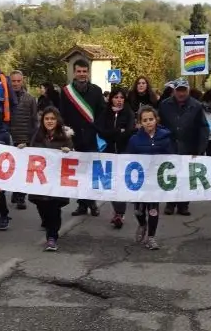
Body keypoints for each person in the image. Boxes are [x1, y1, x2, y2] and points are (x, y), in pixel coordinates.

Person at [20, 107, 75, 251]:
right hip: (40, 181)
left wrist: (68, 152)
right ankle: (47, 223)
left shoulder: (65, 137)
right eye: (47, 119)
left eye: (52, 119)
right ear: (42, 120)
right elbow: (31, 154)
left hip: (56, 181)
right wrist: (23, 148)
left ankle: (52, 237)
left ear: (57, 120)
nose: (49, 121)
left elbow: (73, 156)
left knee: (54, 208)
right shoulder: (36, 136)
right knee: (42, 206)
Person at [59, 59, 106, 217]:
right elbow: (62, 113)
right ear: (74, 72)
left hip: (92, 138)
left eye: (84, 71)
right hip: (74, 138)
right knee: (78, 172)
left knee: (91, 172)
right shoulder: (66, 92)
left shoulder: (96, 90)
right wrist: (65, 131)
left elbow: (101, 113)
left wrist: (97, 129)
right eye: (79, 71)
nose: (81, 74)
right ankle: (81, 205)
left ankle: (92, 203)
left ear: (88, 72)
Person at [158, 78, 209, 216]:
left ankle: (183, 205)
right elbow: (159, 125)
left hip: (189, 147)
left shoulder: (197, 106)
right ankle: (170, 204)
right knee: (171, 176)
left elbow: (203, 128)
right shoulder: (164, 105)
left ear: (188, 90)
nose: (181, 93)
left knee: (186, 178)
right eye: (178, 90)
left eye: (184, 90)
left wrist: (200, 149)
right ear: (174, 90)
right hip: (170, 147)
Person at [126, 105, 175, 250]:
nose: (148, 122)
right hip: (140, 181)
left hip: (156, 181)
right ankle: (142, 224)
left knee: (153, 210)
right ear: (140, 122)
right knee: (138, 210)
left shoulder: (165, 138)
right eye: (145, 120)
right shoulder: (134, 140)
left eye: (151, 119)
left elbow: (172, 158)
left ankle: (151, 237)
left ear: (156, 120)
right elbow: (128, 159)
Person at [95, 86, 135, 229]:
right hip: (108, 152)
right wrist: (118, 131)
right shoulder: (105, 113)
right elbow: (100, 130)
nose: (119, 100)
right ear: (111, 98)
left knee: (120, 182)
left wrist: (116, 133)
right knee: (110, 183)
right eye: (116, 97)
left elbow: (129, 131)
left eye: (121, 98)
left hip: (124, 152)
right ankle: (117, 211)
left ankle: (120, 213)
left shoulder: (128, 113)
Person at [8, 70, 38, 210]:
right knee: (10, 167)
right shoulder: (5, 98)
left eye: (18, 81)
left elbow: (34, 120)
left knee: (22, 169)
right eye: (13, 81)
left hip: (24, 139)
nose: (16, 83)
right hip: (9, 138)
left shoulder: (30, 99)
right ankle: (15, 191)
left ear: (22, 81)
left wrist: (32, 139)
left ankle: (20, 197)